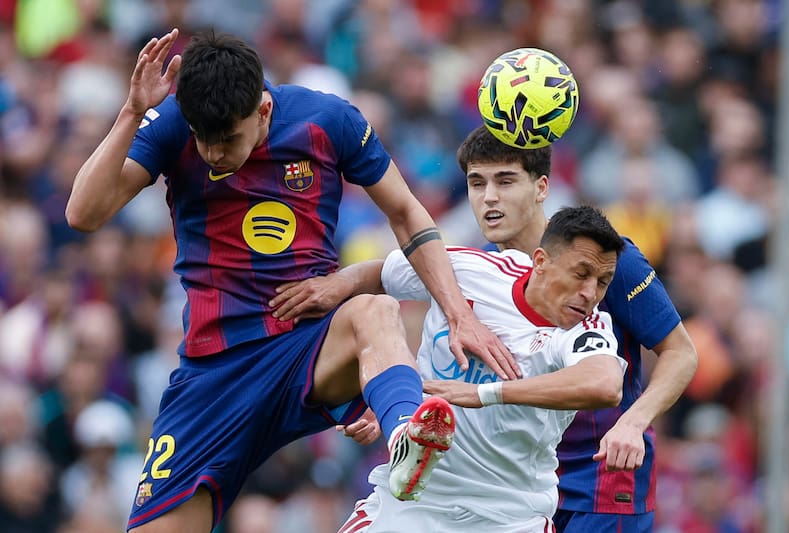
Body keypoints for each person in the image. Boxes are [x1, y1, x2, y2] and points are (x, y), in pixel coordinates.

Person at [65, 29, 519, 533]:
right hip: (214, 372)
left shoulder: (327, 121)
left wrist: (459, 316)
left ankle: (405, 439)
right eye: (203, 139)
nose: (213, 153)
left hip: (305, 344)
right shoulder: (173, 121)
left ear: (261, 111)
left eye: (227, 140)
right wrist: (132, 111)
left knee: (376, 310)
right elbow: (83, 213)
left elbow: (408, 215)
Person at [273, 126, 698, 532]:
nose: (490, 198)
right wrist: (394, 396)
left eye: (506, 182)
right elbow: (387, 278)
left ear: (542, 188)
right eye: (477, 184)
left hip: (599, 475)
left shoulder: (602, 259)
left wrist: (632, 422)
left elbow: (680, 353)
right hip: (494, 483)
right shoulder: (467, 267)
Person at [330, 204, 628, 531]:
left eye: (603, 281)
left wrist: (484, 394)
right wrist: (329, 287)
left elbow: (605, 384)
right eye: (581, 274)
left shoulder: (589, 327)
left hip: (511, 515)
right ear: (541, 261)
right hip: (415, 500)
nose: (590, 293)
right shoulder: (472, 269)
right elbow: (379, 276)